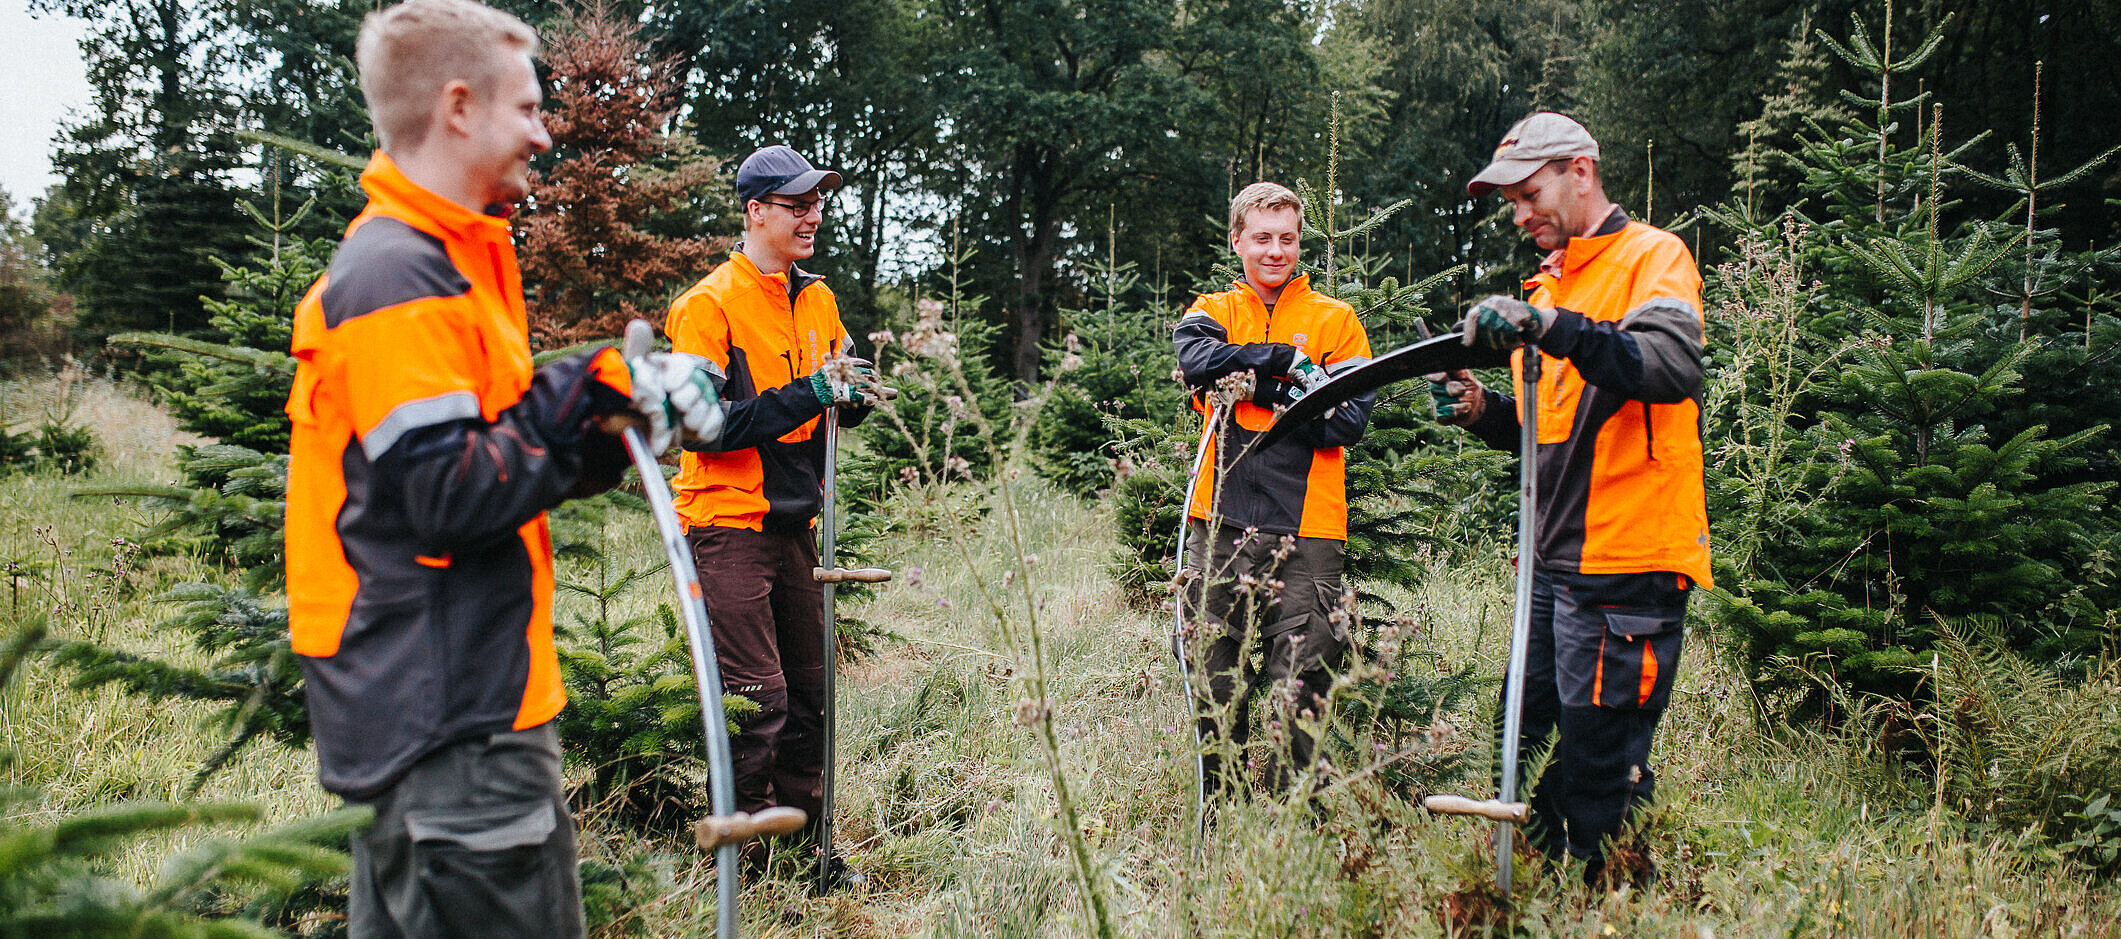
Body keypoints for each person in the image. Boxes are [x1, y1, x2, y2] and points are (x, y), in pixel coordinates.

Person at [283, 1, 723, 935]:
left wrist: (606, 412)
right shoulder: (396, 277)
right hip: (451, 721)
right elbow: (449, 492)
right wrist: (581, 414)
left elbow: (493, 444)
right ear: (457, 106)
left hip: (448, 706)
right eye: (527, 107)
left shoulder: (448, 264)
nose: (544, 129)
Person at [1430, 111, 1712, 886]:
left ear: (1580, 171)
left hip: (1626, 563)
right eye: (1512, 202)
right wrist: (1484, 409)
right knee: (1518, 732)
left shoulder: (1651, 258)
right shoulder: (1554, 283)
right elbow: (1546, 433)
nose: (1520, 215)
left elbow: (1665, 365)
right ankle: (1537, 884)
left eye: (1529, 194)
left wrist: (1551, 325)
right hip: (1554, 565)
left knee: (1597, 759)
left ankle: (1605, 894)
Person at [664, 144, 889, 886]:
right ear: (754, 211)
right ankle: (746, 869)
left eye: (817, 203)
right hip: (726, 526)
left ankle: (806, 853)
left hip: (796, 526)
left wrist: (851, 394)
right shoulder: (707, 304)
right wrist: (812, 394)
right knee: (756, 702)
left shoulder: (817, 297)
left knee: (810, 701)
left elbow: (843, 395)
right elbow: (701, 427)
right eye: (796, 205)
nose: (812, 216)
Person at [1172, 181, 1375, 796]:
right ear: (1237, 240)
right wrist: (1288, 368)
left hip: (1309, 526)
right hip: (1219, 520)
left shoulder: (1337, 321)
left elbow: (1345, 421)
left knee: (1305, 676)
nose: (1275, 251)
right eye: (1261, 237)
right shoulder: (1211, 311)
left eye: (1287, 238)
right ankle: (1218, 803)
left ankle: (1292, 811)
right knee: (1212, 669)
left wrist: (1254, 385)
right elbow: (1195, 360)